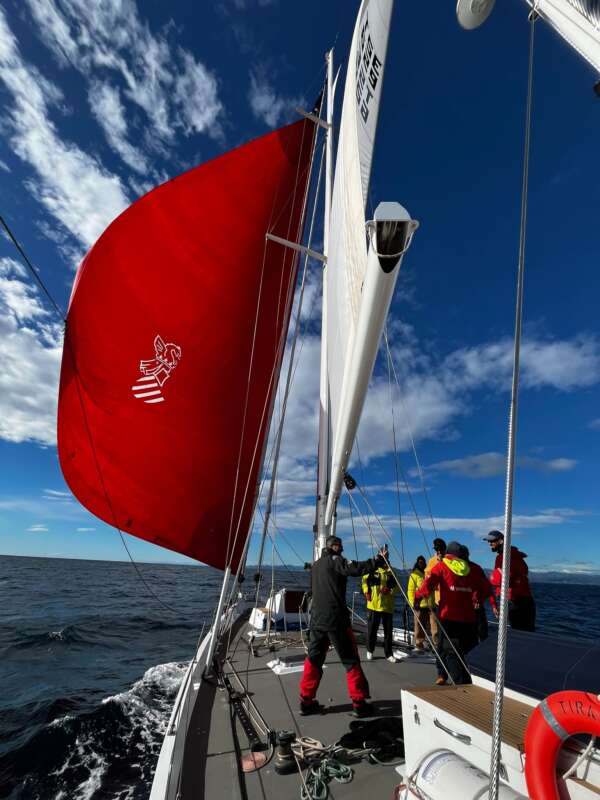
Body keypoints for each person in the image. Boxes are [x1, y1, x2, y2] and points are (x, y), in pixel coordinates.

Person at [299, 536, 386, 718]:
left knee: (314, 659)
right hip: (336, 620)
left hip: (317, 620)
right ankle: (359, 703)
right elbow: (354, 568)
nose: (342, 549)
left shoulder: (315, 566)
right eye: (340, 546)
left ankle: (306, 702)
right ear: (334, 547)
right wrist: (377, 561)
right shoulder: (336, 560)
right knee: (350, 659)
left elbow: (313, 591)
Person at [415, 540, 494, 685]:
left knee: (449, 651)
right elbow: (488, 589)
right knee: (469, 650)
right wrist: (477, 599)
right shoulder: (475, 568)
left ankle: (460, 683)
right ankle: (473, 681)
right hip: (469, 618)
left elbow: (428, 585)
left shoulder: (442, 566)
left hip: (448, 616)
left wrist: (417, 597)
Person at [483, 530, 536, 632]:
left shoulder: (502, 557)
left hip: (514, 601)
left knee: (517, 634)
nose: (490, 544)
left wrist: (491, 578)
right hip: (527, 601)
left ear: (501, 541)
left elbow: (498, 579)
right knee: (527, 633)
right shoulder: (517, 557)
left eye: (492, 541)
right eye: (488, 541)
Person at [362, 545, 400, 662]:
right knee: (372, 630)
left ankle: (389, 654)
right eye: (383, 555)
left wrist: (390, 590)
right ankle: (370, 650)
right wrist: (366, 591)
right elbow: (364, 581)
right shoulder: (372, 569)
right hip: (373, 605)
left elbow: (397, 587)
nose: (385, 557)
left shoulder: (391, 571)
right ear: (379, 556)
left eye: (387, 555)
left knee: (388, 632)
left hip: (387, 607)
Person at [407, 556, 435, 652]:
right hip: (419, 605)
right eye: (420, 562)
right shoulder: (414, 575)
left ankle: (436, 645)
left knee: (434, 627)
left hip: (431, 604)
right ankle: (419, 645)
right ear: (417, 563)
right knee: (419, 627)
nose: (421, 563)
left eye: (423, 562)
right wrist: (413, 603)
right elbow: (410, 591)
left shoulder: (428, 573)